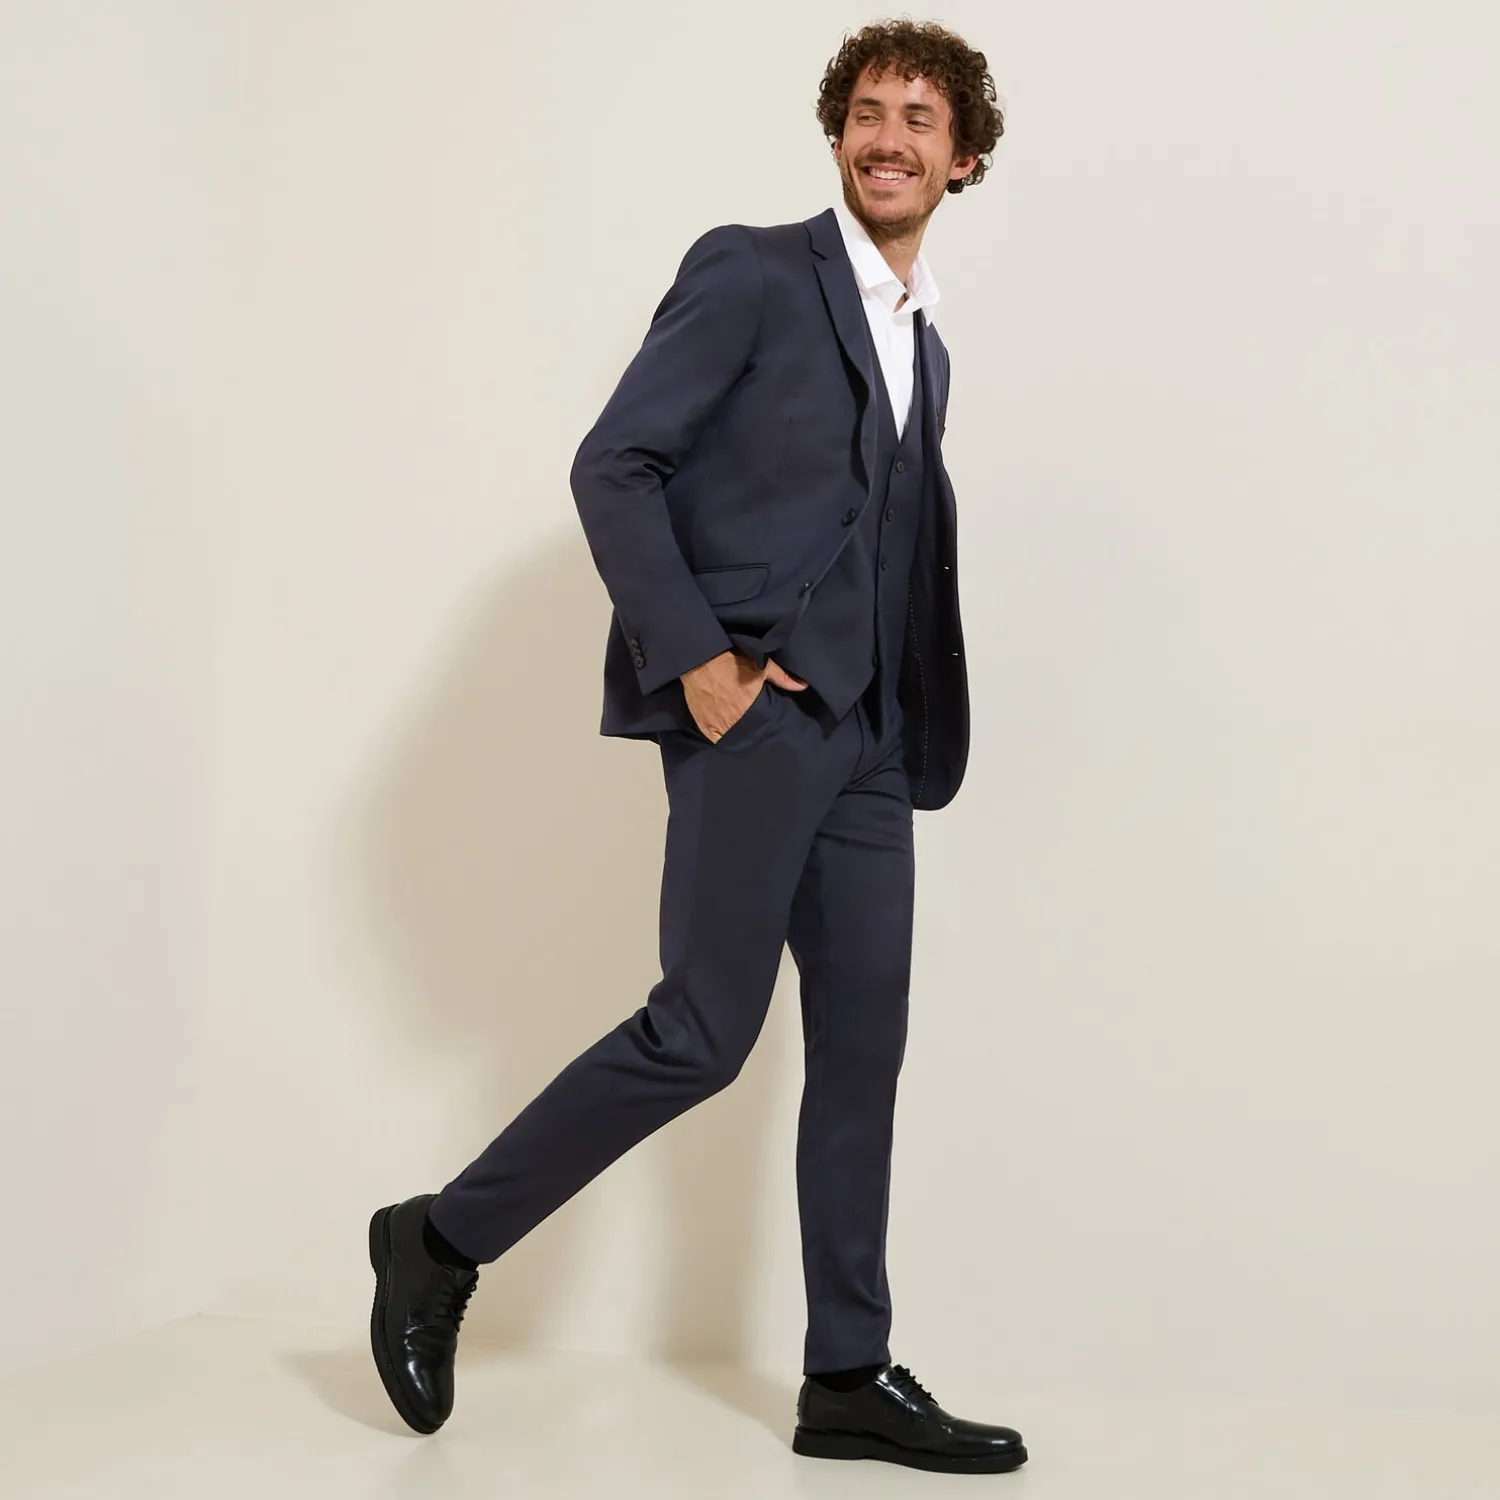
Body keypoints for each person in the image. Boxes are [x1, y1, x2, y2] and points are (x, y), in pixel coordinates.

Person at [368, 18, 1026, 1475]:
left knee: (862, 1053)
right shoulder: (754, 271)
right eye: (869, 111)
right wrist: (701, 664)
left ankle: (846, 1372)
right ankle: (440, 1240)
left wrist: (896, 706)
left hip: (871, 743)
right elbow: (614, 463)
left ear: (964, 160)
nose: (889, 138)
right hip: (762, 720)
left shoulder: (927, 345)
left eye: (921, 119)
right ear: (837, 132)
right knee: (702, 1035)